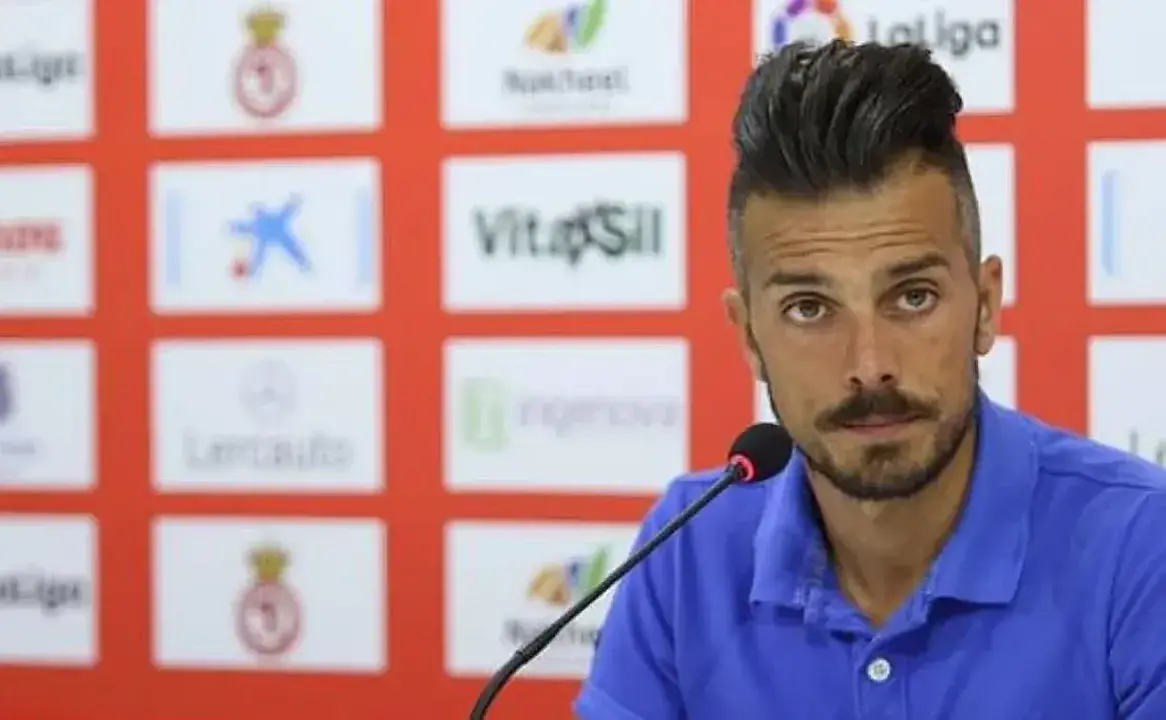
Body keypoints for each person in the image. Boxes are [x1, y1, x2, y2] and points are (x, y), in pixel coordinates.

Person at [573, 39, 1166, 719]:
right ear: (748, 336)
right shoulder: (686, 551)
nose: (868, 364)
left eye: (912, 296)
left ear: (985, 304)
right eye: (810, 308)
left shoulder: (1143, 548)